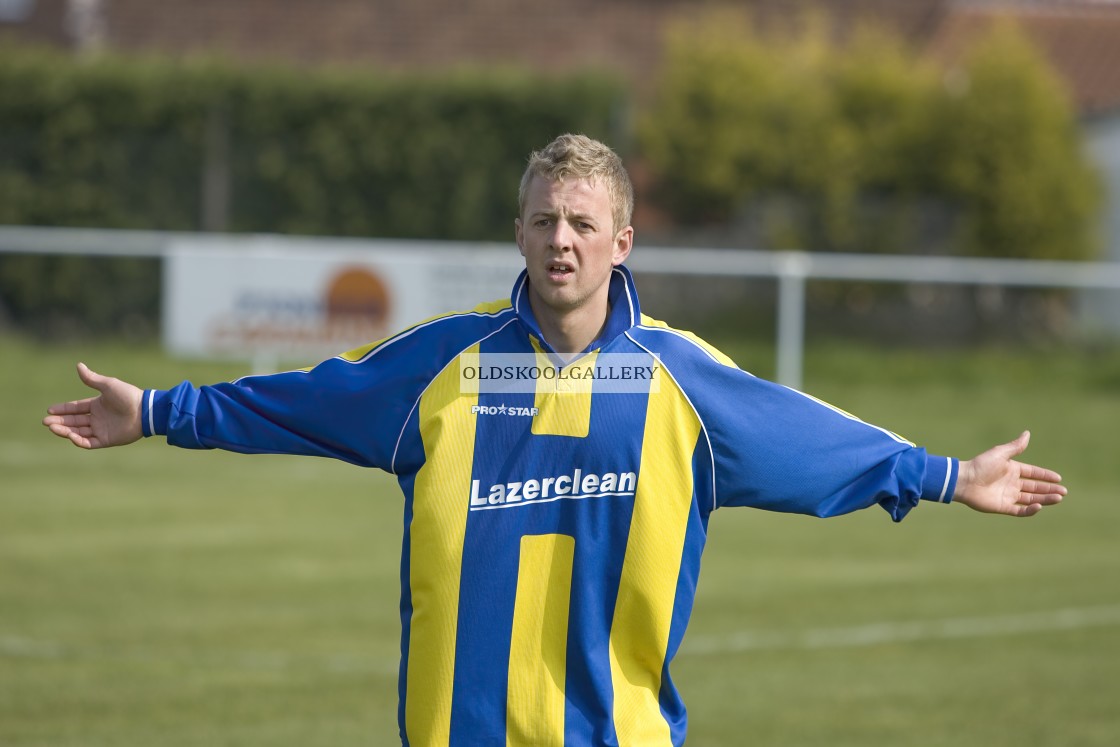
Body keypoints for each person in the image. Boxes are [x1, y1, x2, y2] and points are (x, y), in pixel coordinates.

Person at [44, 134, 1066, 747]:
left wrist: (941, 476)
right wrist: (162, 411)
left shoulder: (681, 382)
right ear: (519, 234)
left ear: (622, 242)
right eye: (543, 221)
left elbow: (806, 438)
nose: (560, 240)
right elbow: (304, 401)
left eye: (581, 222)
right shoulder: (443, 366)